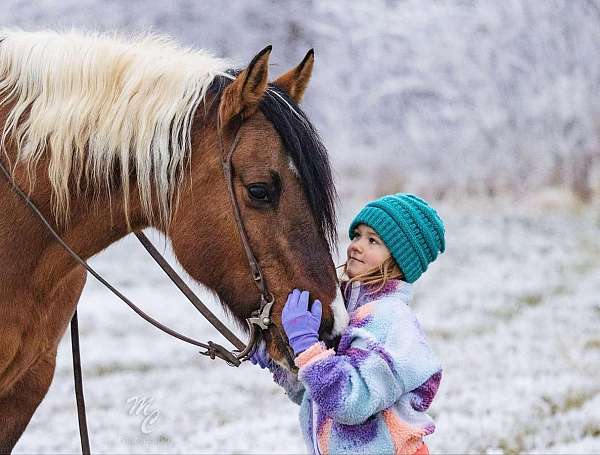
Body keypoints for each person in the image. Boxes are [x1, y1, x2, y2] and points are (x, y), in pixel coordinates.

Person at [250, 193, 445, 455]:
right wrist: (281, 362)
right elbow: (316, 398)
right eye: (357, 236)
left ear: (400, 260)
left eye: (372, 240)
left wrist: (307, 347)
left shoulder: (390, 320)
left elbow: (351, 402)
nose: (356, 246)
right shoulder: (349, 312)